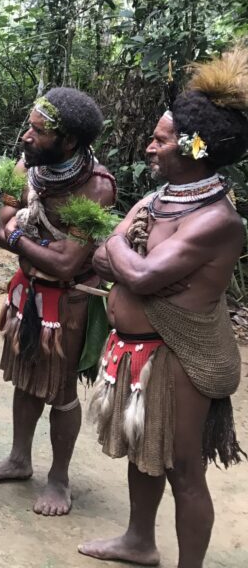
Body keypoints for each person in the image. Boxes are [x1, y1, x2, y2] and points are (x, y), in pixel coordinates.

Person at [78, 49, 246, 568]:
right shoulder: (160, 201)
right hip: (134, 349)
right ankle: (138, 540)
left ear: (194, 148)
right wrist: (125, 255)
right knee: (141, 446)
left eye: (161, 139)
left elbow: (138, 271)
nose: (150, 147)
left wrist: (127, 256)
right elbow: (105, 256)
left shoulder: (217, 220)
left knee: (181, 466)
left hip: (178, 357)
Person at [0, 88, 116, 515]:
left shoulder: (96, 187)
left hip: (69, 303)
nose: (25, 137)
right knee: (24, 378)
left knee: (60, 388)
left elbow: (67, 265)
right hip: (28, 294)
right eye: (29, 127)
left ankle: (59, 478)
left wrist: (18, 237)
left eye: (37, 131)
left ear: (68, 141)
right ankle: (19, 460)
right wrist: (27, 242)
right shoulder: (26, 168)